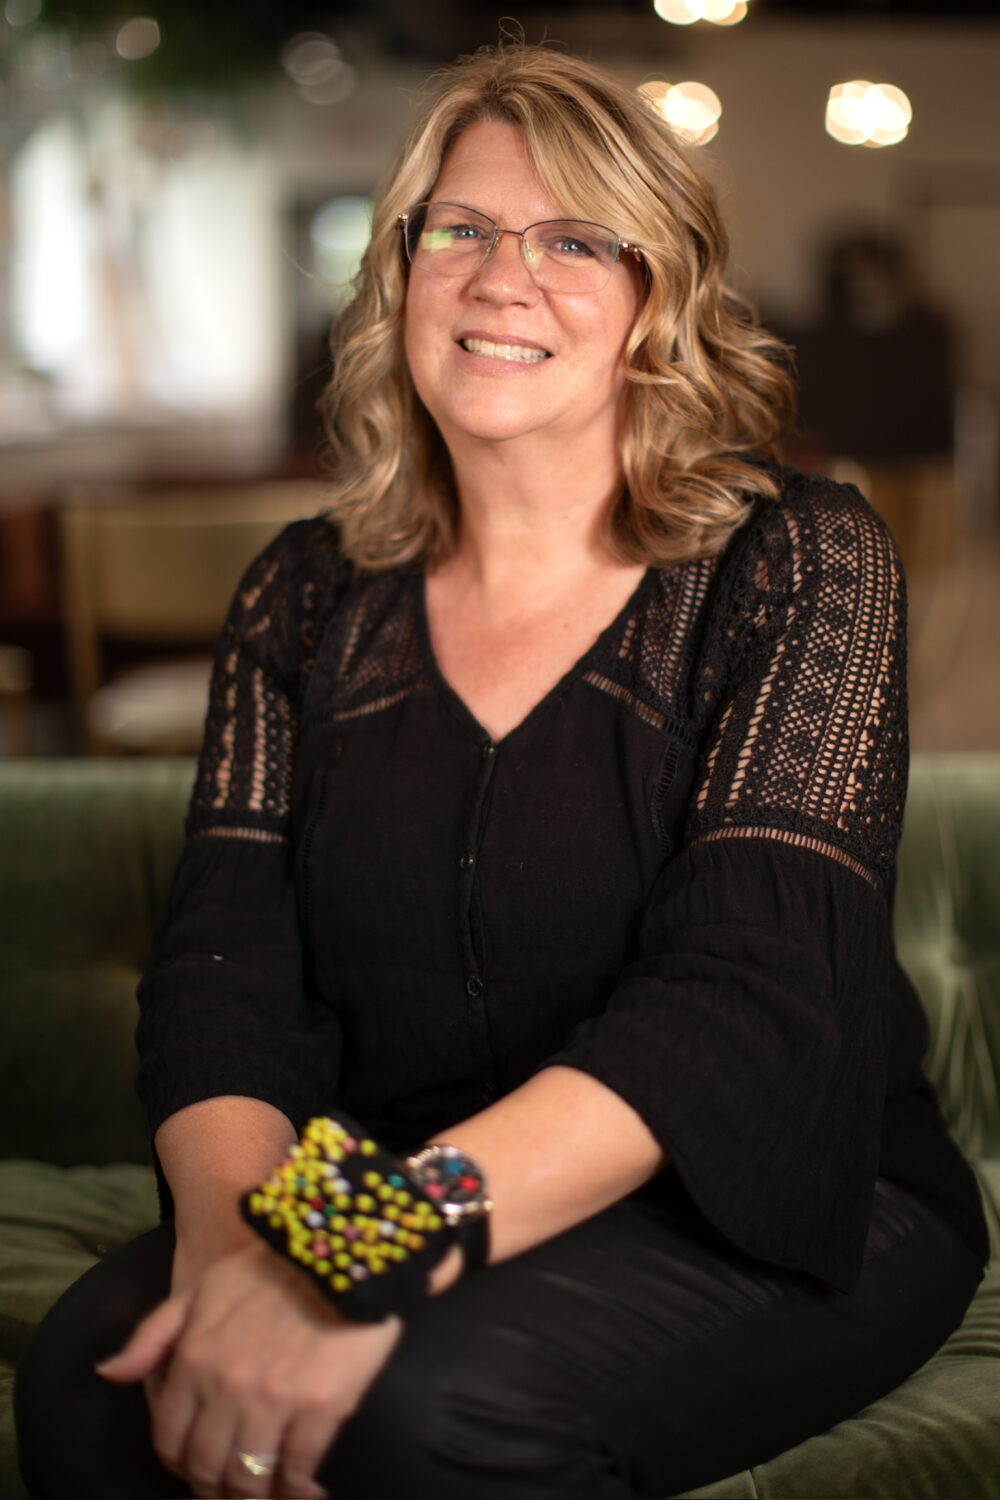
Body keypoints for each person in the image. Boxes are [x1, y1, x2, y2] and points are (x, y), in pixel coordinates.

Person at [15, 41, 987, 1500]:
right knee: (101, 1389)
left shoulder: (801, 562)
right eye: (457, 229)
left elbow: (741, 1008)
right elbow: (223, 982)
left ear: (658, 299)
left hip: (748, 1193)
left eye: (576, 238)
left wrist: (358, 1266)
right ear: (399, 270)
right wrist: (239, 1263)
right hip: (383, 1170)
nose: (500, 277)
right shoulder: (303, 596)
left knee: (418, 1418)